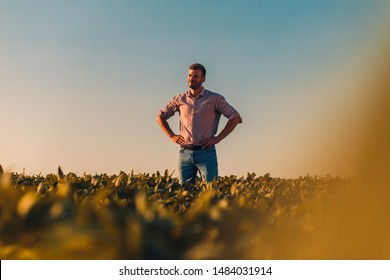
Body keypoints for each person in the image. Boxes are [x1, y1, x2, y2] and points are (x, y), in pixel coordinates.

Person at [156, 63, 242, 184]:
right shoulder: (179, 99)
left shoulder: (214, 99)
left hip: (206, 152)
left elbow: (235, 117)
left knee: (210, 192)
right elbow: (160, 116)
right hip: (184, 153)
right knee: (184, 194)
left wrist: (218, 138)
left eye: (195, 76)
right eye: (190, 75)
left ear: (203, 79)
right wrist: (172, 136)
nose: (192, 78)